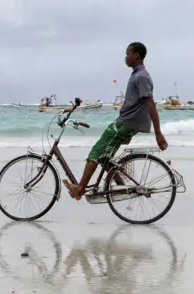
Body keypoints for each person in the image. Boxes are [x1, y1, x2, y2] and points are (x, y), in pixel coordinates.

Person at [63, 42, 168, 200]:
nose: (125, 57)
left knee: (95, 153)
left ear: (136, 55)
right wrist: (133, 129)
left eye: (127, 54)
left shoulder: (141, 76)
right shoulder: (137, 74)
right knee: (105, 157)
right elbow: (138, 105)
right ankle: (119, 187)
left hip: (125, 123)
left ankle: (80, 188)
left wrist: (158, 132)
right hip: (127, 122)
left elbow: (150, 104)